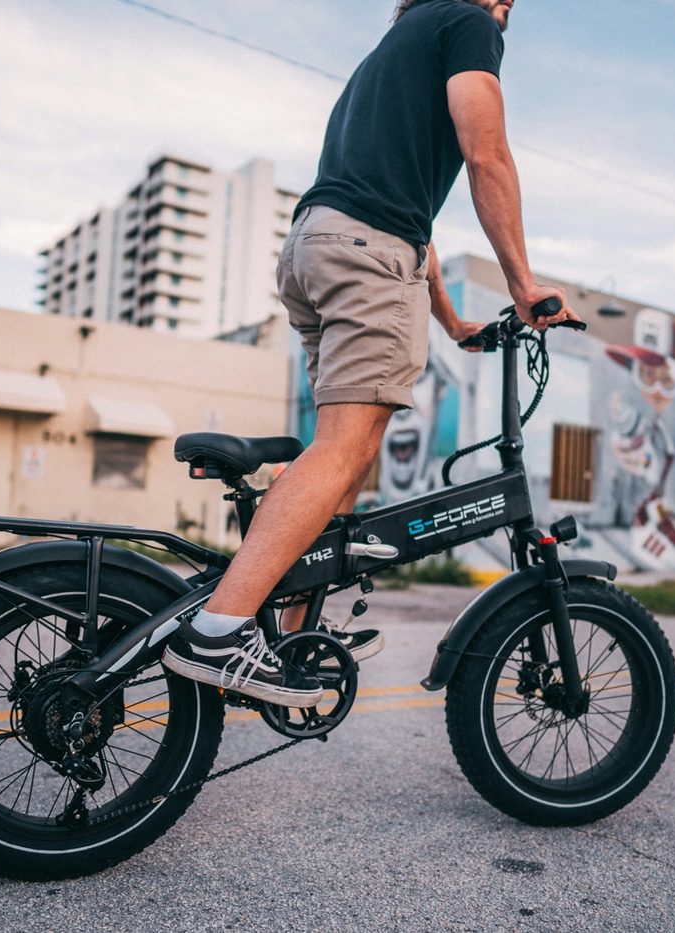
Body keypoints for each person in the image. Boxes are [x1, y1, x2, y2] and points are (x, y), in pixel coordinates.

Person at [162, 0, 580, 707]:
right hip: (364, 254)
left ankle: (290, 636)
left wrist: (450, 323)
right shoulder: (465, 23)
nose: (509, 5)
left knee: (346, 457)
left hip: (316, 246)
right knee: (344, 449)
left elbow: (412, 213)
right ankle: (221, 630)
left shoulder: (397, 45)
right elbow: (486, 153)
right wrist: (522, 285)